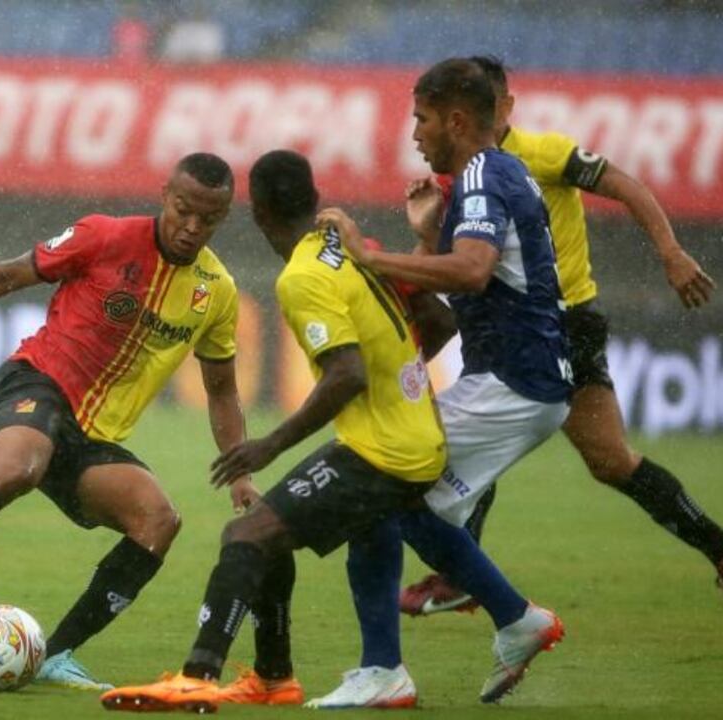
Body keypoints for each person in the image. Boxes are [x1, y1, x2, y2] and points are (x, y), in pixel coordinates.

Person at [99, 149, 561, 713]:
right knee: (378, 524)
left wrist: (268, 445)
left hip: (383, 450)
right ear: (315, 199)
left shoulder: (302, 277)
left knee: (247, 537)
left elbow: (346, 374)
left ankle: (197, 677)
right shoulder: (352, 247)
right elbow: (439, 321)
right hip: (417, 433)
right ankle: (478, 630)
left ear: (260, 212)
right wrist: (401, 385)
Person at [0, 153, 257, 690]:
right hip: (35, 386)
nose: (191, 227)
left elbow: (223, 390)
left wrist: (244, 476)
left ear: (223, 216)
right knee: (19, 466)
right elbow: (5, 277)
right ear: (164, 194)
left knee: (159, 520)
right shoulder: (103, 236)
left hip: (92, 439)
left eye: (208, 219)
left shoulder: (217, 292)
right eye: (183, 210)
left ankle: (55, 655)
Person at [401, 55, 723, 616]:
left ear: (506, 106)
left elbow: (624, 182)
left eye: (495, 104)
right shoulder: (467, 174)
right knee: (570, 453)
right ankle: (459, 572)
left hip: (563, 323)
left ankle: (459, 573)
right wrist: (431, 228)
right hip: (511, 327)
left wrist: (670, 252)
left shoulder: (542, 153)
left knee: (601, 459)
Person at [316, 57, 573, 704]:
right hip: (525, 381)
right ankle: (515, 620)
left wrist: (369, 257)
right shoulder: (489, 176)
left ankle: (384, 671)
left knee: (373, 486)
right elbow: (482, 271)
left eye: (422, 119)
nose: (414, 134)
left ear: (457, 119)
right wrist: (432, 232)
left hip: (514, 382)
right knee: (400, 503)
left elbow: (474, 271)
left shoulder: (485, 173)